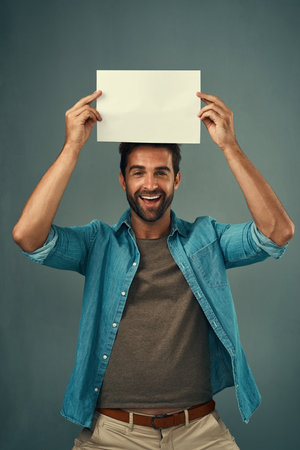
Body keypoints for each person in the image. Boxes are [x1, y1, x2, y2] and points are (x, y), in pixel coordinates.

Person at [12, 90, 294, 450]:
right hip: (114, 434)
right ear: (122, 180)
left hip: (201, 432)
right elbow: (28, 237)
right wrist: (72, 148)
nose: (149, 184)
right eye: (138, 173)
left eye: (161, 173)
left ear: (177, 180)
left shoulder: (207, 239)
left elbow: (278, 233)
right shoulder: (99, 243)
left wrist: (230, 146)